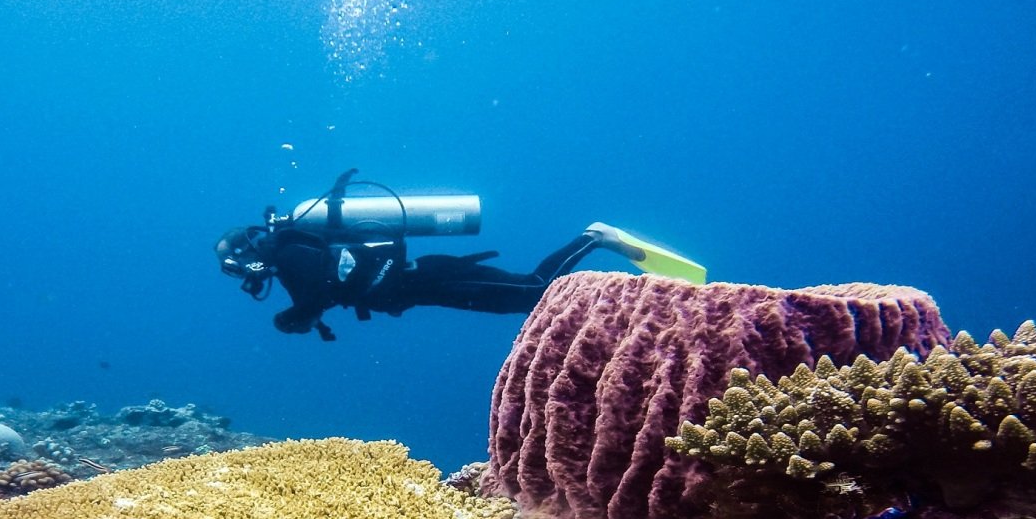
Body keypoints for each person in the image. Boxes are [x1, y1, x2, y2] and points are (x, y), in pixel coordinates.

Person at [214, 174, 703, 341]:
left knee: (532, 291)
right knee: (527, 298)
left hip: (426, 279)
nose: (239, 275)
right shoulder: (293, 255)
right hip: (422, 286)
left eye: (233, 264)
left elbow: (321, 293)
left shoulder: (292, 253)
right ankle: (614, 289)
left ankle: (594, 237)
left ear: (247, 252)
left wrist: (293, 318)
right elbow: (327, 290)